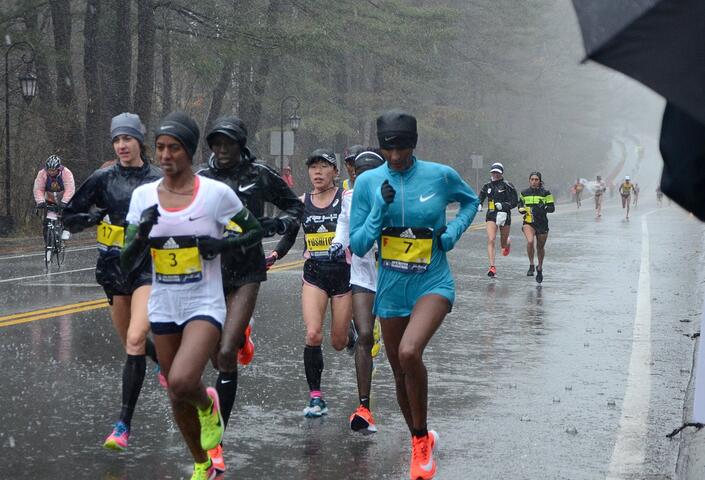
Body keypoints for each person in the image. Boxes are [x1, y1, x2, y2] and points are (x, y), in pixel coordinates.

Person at [121, 112, 263, 480]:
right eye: (161, 148)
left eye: (174, 148)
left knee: (184, 381)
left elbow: (253, 230)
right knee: (174, 394)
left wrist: (222, 243)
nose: (165, 155)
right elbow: (125, 260)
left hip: (204, 303)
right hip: (164, 303)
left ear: (189, 152)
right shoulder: (143, 197)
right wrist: (140, 236)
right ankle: (203, 463)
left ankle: (209, 404)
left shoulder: (215, 195)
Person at [350, 110, 479, 480]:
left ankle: (421, 445)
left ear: (414, 143)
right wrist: (378, 208)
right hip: (391, 288)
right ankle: (419, 438)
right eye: (388, 149)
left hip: (432, 282)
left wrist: (452, 233)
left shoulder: (439, 175)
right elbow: (359, 245)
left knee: (410, 352)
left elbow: (470, 201)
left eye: (402, 148)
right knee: (398, 369)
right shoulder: (367, 183)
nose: (395, 157)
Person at [198, 116, 303, 472]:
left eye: (228, 143)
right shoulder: (201, 178)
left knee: (225, 354)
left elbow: (295, 207)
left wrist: (273, 226)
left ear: (241, 145)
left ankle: (217, 442)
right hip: (210, 272)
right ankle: (240, 334)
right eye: (216, 143)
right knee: (215, 358)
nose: (222, 149)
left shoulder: (259, 174)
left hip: (246, 271)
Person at [63, 113, 162, 451]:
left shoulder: (157, 179)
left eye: (127, 139)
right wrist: (90, 218)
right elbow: (69, 216)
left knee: (136, 338)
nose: (121, 145)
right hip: (112, 272)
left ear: (139, 142)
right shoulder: (103, 179)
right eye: (116, 140)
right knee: (131, 343)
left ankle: (123, 425)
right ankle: (165, 362)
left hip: (147, 269)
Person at [329, 150, 385, 434]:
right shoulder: (349, 199)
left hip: (393, 275)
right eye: (358, 174)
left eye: (369, 174)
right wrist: (339, 243)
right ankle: (364, 407)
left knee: (402, 348)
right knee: (363, 335)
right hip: (362, 274)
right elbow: (343, 224)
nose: (362, 179)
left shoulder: (394, 197)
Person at [299, 148, 353, 418]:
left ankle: (350, 332)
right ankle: (316, 397)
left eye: (323, 167)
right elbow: (288, 235)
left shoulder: (346, 199)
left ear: (335, 171)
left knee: (339, 342)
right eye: (313, 167)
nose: (317, 172)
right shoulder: (303, 201)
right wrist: (274, 253)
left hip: (343, 276)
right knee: (313, 334)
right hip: (314, 275)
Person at [477, 162, 518, 277]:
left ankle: (507, 243)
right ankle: (492, 267)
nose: (496, 174)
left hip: (504, 215)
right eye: (494, 172)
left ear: (502, 173)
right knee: (491, 239)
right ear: (491, 172)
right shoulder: (487, 186)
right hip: (491, 215)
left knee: (503, 244)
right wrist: (479, 204)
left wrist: (504, 205)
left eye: (498, 172)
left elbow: (515, 202)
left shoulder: (508, 185)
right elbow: (480, 197)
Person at [518, 172, 555, 283]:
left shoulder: (546, 193)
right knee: (530, 241)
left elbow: (552, 208)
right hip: (529, 222)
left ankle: (539, 268)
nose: (534, 182)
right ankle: (531, 265)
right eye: (532, 179)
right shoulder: (524, 193)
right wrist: (521, 209)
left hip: (542, 223)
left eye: (536, 179)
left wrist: (544, 206)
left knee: (540, 247)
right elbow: (520, 205)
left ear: (540, 181)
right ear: (529, 180)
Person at [33, 154, 75, 242]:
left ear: (58, 168)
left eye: (53, 170)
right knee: (46, 222)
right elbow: (38, 189)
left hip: (63, 196)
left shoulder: (66, 173)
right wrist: (40, 201)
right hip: (50, 197)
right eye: (49, 170)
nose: (51, 172)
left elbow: (70, 188)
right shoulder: (42, 173)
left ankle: (66, 229)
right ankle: (48, 244)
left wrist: (65, 201)